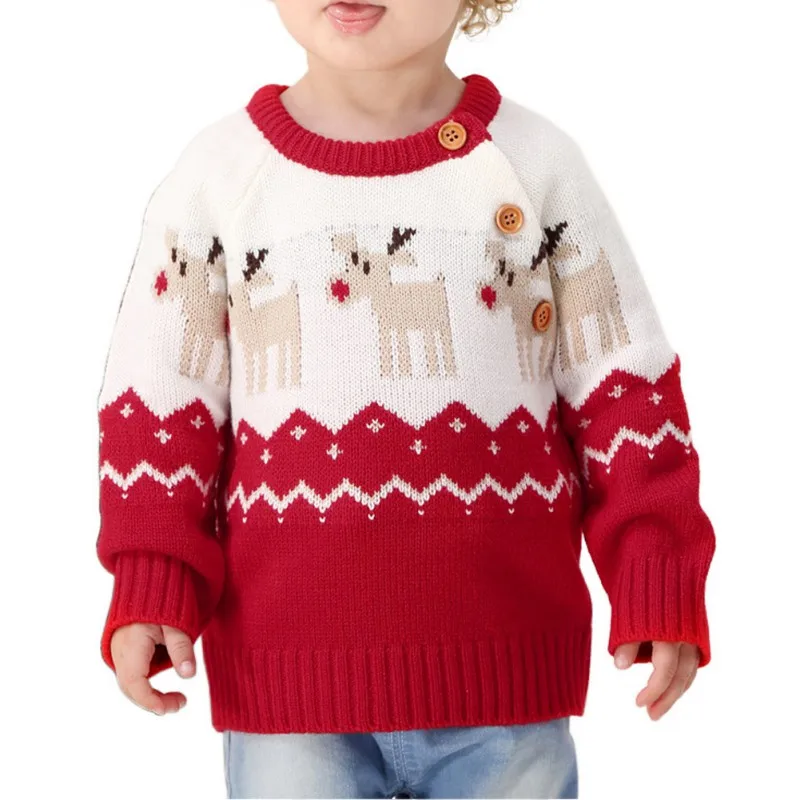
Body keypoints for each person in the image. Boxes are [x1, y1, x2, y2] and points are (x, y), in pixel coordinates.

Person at [95, 1, 716, 797]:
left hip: (507, 688)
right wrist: (154, 579)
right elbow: (160, 400)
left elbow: (624, 393)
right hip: (290, 697)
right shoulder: (218, 180)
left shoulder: (535, 166)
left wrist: (655, 572)